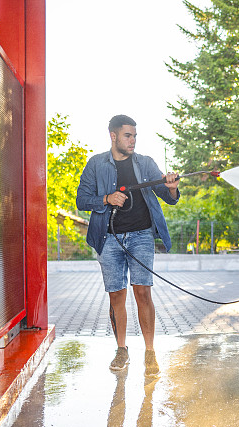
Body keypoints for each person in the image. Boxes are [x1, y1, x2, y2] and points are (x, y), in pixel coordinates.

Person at [76, 114, 180, 374]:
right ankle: (121, 350)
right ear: (113, 136)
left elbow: (168, 198)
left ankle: (150, 352)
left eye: (134, 135)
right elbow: (82, 200)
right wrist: (107, 198)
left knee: (143, 292)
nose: (133, 140)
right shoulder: (96, 164)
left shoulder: (145, 163)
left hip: (141, 236)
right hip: (108, 238)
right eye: (127, 135)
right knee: (116, 296)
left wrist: (172, 187)